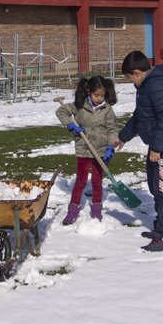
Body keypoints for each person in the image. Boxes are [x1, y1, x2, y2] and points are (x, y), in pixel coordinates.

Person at [112, 51, 163, 253]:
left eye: (130, 77)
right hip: (158, 144)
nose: (130, 81)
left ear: (136, 72)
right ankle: (160, 225)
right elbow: (140, 116)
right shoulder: (146, 86)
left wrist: (157, 147)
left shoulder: (156, 85)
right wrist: (123, 137)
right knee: (155, 186)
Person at [55, 76, 118, 224]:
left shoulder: (107, 109)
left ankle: (96, 207)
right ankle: (74, 208)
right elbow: (61, 112)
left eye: (102, 95)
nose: (99, 98)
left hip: (101, 151)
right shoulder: (79, 105)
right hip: (83, 149)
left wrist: (111, 146)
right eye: (97, 95)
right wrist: (71, 126)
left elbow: (112, 128)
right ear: (89, 92)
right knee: (81, 181)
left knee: (97, 181)